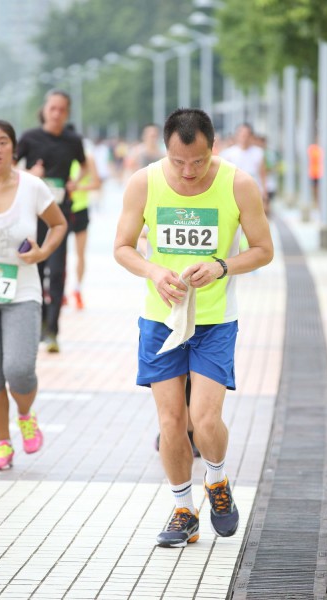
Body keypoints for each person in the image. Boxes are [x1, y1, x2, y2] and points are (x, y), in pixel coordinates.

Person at [114, 108, 273, 548]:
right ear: (165, 148)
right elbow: (122, 247)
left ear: (213, 146)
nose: (188, 171)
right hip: (161, 319)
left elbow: (263, 249)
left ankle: (216, 480)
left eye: (198, 161)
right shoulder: (144, 182)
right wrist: (153, 271)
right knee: (171, 421)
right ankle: (184, 510)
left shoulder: (239, 184)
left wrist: (222, 265)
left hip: (215, 321)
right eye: (178, 161)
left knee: (204, 419)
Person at [0, 120, 67, 470]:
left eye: (2, 141)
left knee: (19, 369)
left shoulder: (31, 186)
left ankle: (25, 414)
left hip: (22, 291)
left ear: (13, 147)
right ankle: (1, 442)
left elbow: (58, 224)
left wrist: (43, 253)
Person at [17, 90, 88, 352]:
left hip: (60, 216)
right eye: (52, 108)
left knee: (57, 273)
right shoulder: (29, 137)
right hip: (31, 217)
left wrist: (75, 182)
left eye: (62, 109)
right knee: (35, 270)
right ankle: (38, 325)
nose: (56, 114)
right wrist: (30, 173)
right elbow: (10, 169)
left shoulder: (73, 140)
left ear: (67, 112)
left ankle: (53, 331)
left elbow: (85, 165)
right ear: (44, 110)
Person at [69, 153, 101, 309]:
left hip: (81, 209)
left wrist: (78, 187)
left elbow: (97, 183)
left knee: (80, 254)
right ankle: (60, 292)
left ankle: (77, 289)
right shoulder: (61, 154)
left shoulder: (88, 158)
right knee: (59, 255)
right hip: (62, 209)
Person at [220, 123, 268, 214]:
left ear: (251, 136)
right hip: (235, 192)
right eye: (242, 134)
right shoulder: (228, 154)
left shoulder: (258, 152)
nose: (244, 138)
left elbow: (263, 174)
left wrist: (265, 195)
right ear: (237, 135)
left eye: (246, 135)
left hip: (254, 191)